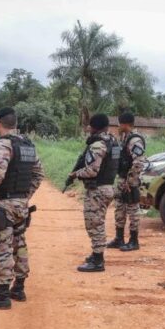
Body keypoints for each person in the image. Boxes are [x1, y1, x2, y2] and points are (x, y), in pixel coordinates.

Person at [0, 107, 44, 309]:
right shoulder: (28, 146)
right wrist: (25, 196)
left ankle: (2, 295)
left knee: (4, 248)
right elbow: (38, 174)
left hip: (5, 204)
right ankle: (19, 288)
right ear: (15, 124)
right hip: (21, 205)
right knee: (20, 244)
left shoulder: (3, 145)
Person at [70, 113, 120, 272]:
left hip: (97, 190)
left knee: (94, 224)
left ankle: (98, 261)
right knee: (98, 221)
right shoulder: (113, 141)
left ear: (94, 127)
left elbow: (92, 171)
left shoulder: (98, 145)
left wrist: (75, 174)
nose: (88, 129)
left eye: (90, 126)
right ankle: (96, 253)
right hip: (108, 187)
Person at [107, 111, 146, 251]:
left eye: (119, 123)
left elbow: (139, 162)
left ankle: (134, 241)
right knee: (119, 208)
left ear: (124, 124)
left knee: (132, 210)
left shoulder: (135, 140)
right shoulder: (125, 137)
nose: (118, 125)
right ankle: (119, 238)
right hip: (122, 179)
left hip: (130, 181)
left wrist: (131, 181)